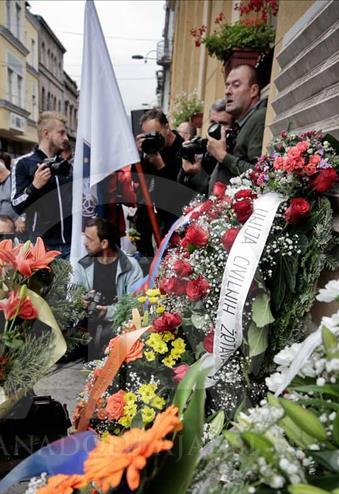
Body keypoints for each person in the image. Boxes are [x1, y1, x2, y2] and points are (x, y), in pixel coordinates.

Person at [71, 218, 143, 360]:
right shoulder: (82, 265)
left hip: (118, 324)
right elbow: (74, 295)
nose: (85, 243)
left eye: (89, 239)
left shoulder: (130, 266)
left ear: (104, 243)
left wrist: (107, 312)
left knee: (109, 337)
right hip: (87, 324)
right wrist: (81, 301)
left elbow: (135, 306)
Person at [11, 112, 74, 258]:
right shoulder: (24, 163)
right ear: (46, 133)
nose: (65, 138)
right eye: (61, 133)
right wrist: (34, 186)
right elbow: (16, 203)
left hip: (71, 244)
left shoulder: (66, 165)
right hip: (43, 246)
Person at [133, 108, 184, 257]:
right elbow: (137, 179)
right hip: (150, 216)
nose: (152, 139)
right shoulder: (151, 149)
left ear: (167, 127)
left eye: (156, 134)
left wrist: (161, 166)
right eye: (147, 136)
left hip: (173, 218)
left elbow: (179, 192)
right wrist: (139, 155)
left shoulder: (182, 149)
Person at [208, 64, 268, 191]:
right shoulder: (242, 123)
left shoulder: (259, 118)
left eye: (236, 85)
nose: (227, 91)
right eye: (227, 85)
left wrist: (222, 156)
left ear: (253, 90)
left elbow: (260, 174)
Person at [179, 100, 234, 196]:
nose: (215, 129)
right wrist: (185, 167)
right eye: (212, 122)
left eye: (223, 124)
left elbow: (215, 196)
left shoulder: (231, 156)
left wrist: (198, 173)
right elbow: (180, 187)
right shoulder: (202, 147)